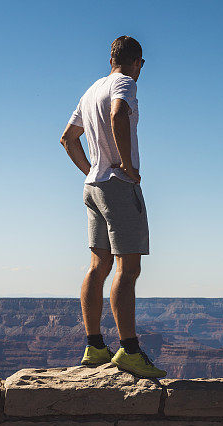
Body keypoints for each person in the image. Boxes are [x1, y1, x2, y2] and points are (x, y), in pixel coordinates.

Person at [59, 35, 166, 379]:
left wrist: (93, 169)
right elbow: (119, 114)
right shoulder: (125, 83)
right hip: (118, 187)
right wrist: (125, 166)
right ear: (138, 63)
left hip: (93, 187)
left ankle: (94, 346)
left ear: (110, 59)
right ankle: (129, 351)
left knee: (98, 266)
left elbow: (67, 138)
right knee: (128, 269)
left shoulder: (92, 90)